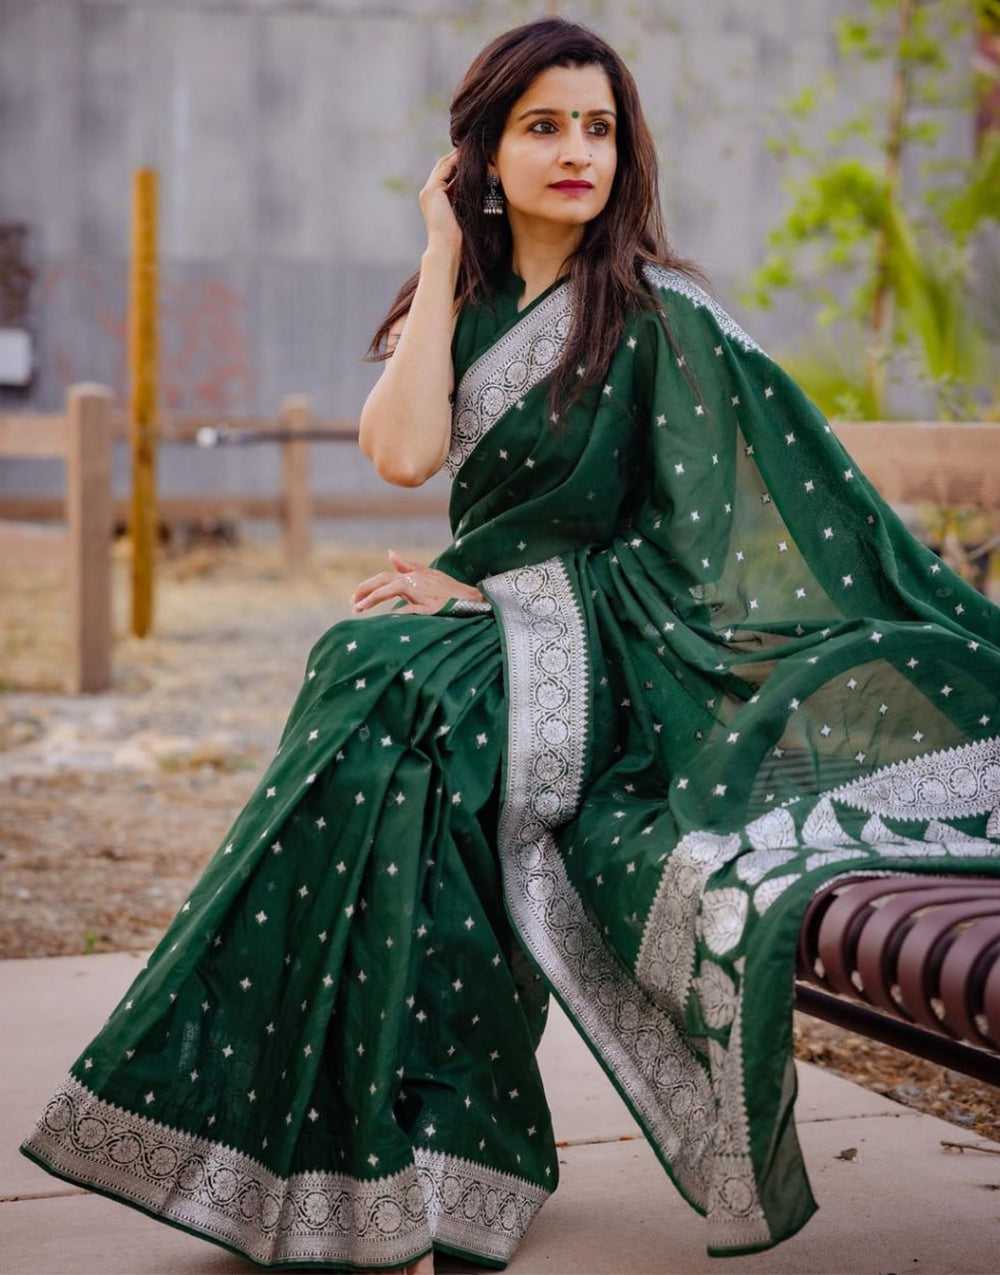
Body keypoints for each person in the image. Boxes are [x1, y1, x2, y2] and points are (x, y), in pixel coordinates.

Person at [20, 16, 1000, 1273]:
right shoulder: (469, 303)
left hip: (617, 670)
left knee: (386, 692)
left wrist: (504, 600)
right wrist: (437, 255)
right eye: (542, 126)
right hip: (493, 636)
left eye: (597, 127)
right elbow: (401, 454)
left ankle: (393, 1150)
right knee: (374, 709)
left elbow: (704, 560)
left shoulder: (661, 316)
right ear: (483, 153)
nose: (576, 151)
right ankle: (382, 1151)